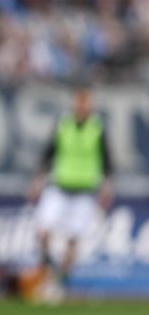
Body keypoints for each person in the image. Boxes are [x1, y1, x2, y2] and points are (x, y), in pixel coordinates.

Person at [28, 89, 113, 302]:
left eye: (86, 103)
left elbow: (106, 160)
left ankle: (59, 282)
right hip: (59, 187)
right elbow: (50, 152)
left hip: (84, 191)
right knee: (42, 231)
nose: (82, 107)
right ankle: (48, 268)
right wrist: (38, 180)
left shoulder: (97, 127)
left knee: (73, 239)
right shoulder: (63, 124)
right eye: (80, 103)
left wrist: (106, 186)